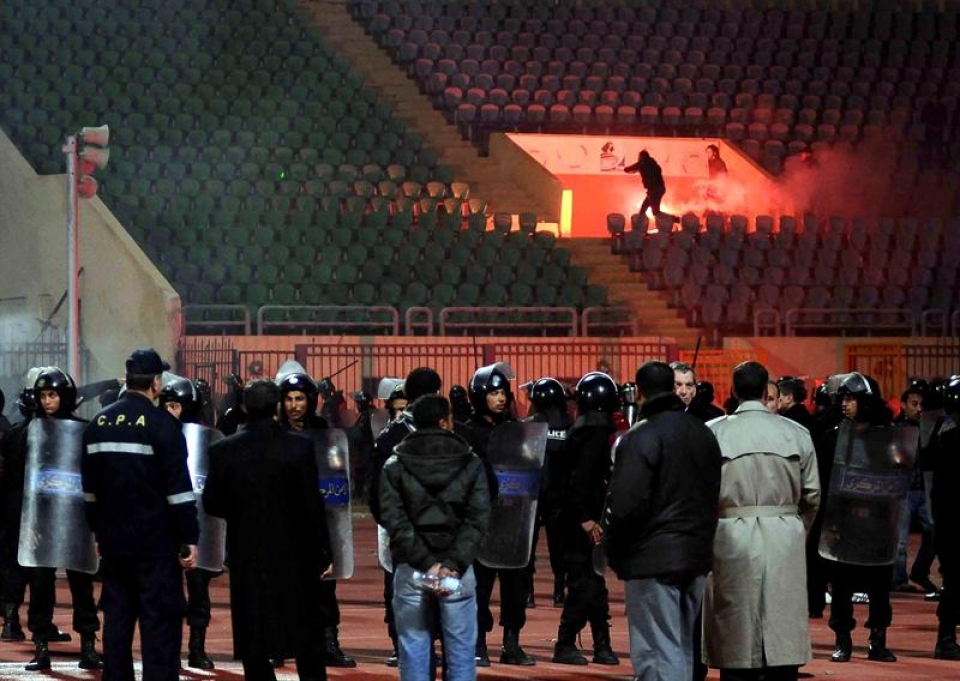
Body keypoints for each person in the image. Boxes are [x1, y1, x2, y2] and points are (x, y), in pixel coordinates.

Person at [81, 348, 199, 681]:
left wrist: (98, 532)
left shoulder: (97, 424)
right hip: (155, 546)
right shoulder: (163, 426)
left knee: (117, 623)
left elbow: (89, 491)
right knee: (159, 626)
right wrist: (188, 538)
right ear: (157, 383)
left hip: (114, 544)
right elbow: (178, 491)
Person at [203, 379, 332, 681]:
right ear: (277, 406)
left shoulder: (224, 450)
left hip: (248, 555)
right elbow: (312, 506)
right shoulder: (299, 447)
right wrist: (324, 551)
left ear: (245, 407)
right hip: (297, 555)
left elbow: (212, 503)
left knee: (254, 639)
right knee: (306, 637)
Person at [603, 360, 722, 681]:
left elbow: (626, 504)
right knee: (682, 647)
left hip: (652, 559)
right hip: (696, 556)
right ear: (672, 386)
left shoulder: (641, 437)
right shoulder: (703, 434)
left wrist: (614, 551)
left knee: (658, 653)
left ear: (639, 393)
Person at [703, 361, 821, 681]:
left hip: (729, 531)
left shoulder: (714, 432)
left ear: (733, 390)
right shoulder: (796, 434)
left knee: (734, 626)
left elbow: (701, 495)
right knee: (782, 621)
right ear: (767, 390)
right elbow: (811, 495)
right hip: (784, 531)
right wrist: (797, 529)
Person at [379, 395, 491, 681]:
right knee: (462, 649)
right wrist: (451, 564)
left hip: (414, 569)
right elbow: (477, 517)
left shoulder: (395, 463)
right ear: (445, 421)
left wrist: (427, 564)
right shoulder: (470, 462)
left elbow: (393, 519)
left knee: (414, 645)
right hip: (456, 571)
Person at [1, 368, 103, 671]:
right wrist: (23, 526)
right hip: (39, 524)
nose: (47, 401)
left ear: (65, 396)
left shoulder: (84, 432)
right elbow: (14, 487)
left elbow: (95, 480)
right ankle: (41, 647)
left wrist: (95, 525)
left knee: (82, 585)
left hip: (77, 521)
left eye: (53, 395)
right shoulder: (23, 433)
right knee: (41, 587)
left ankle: (88, 645)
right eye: (43, 395)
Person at [276, 368, 353, 669]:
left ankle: (329, 642)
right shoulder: (276, 432)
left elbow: (337, 468)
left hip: (318, 519)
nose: (294, 405)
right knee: (282, 587)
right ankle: (279, 643)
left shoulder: (323, 431)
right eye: (289, 399)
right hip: (283, 520)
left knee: (324, 587)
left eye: (300, 399)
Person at [821, 373, 898, 663]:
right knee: (841, 587)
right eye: (843, 398)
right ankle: (843, 640)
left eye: (852, 398)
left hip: (878, 522)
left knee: (880, 586)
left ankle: (877, 640)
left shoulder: (887, 438)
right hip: (844, 522)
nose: (845, 404)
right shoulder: (833, 438)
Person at [461, 363, 535, 666]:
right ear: (480, 396)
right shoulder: (467, 433)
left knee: (516, 585)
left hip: (514, 520)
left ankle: (511, 643)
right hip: (482, 521)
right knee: (479, 587)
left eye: (503, 392)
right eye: (493, 393)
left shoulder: (517, 431)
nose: (501, 398)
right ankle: (477, 642)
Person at [370, 368, 444, 666]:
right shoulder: (454, 434)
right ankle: (427, 649)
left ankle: (407, 648)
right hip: (441, 537)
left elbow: (376, 492)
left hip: (403, 538)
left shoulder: (390, 437)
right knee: (441, 593)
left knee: (403, 594)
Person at [551, 372, 619, 667]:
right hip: (586, 522)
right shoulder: (595, 434)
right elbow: (583, 481)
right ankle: (567, 642)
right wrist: (588, 520)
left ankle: (601, 644)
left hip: (580, 520)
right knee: (585, 585)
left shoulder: (581, 430)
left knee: (592, 583)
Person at [158, 376, 219, 670]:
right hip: (164, 528)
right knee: (166, 594)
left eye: (176, 406)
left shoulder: (205, 440)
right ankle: (168, 649)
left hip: (195, 528)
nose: (171, 411)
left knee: (198, 592)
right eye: (167, 405)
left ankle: (197, 647)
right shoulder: (155, 437)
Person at [524, 377, 572, 609]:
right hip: (559, 495)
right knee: (559, 545)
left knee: (528, 545)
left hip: (532, 492)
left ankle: (528, 592)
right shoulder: (569, 426)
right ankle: (559, 591)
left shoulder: (530, 425)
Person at [892, 385, 937, 594]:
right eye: (914, 404)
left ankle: (919, 571)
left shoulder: (931, 429)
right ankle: (898, 579)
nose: (919, 409)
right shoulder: (896, 429)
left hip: (924, 490)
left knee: (933, 533)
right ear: (903, 404)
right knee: (900, 539)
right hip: (904, 490)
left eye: (922, 404)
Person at [928, 375, 960, 660]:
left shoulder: (941, 430)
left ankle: (947, 638)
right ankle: (946, 639)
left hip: (946, 519)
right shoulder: (948, 434)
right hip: (952, 520)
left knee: (952, 581)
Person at [624, 150, 679, 226]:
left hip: (653, 190)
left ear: (641, 157)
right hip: (658, 189)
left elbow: (629, 169)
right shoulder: (654, 164)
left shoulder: (643, 163)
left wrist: (626, 169)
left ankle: (675, 219)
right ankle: (639, 226)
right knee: (644, 209)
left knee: (655, 212)